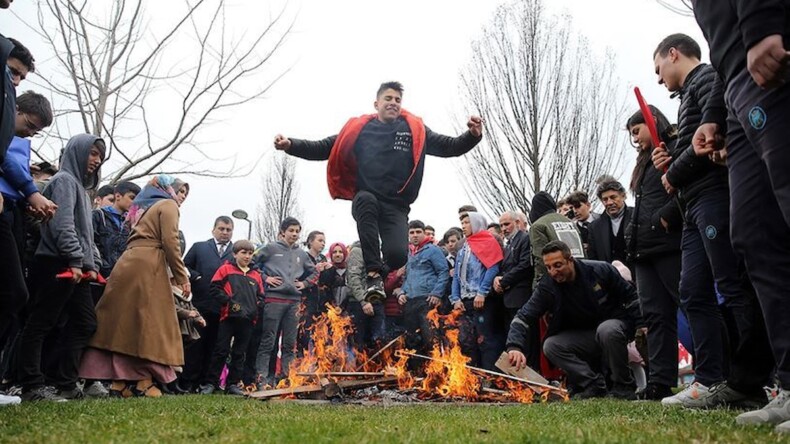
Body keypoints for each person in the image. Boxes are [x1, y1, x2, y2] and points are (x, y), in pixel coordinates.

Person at [652, 33, 773, 409]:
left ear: (673, 54)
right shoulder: (688, 96)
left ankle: (758, 380)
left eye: (658, 68)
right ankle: (709, 379)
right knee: (693, 291)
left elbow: (709, 139)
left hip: (713, 197)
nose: (658, 78)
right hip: (692, 206)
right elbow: (693, 144)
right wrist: (670, 161)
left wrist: (674, 173)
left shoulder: (706, 79)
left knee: (732, 286)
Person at [274, 81, 483, 299]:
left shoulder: (413, 129)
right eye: (388, 99)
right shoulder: (360, 129)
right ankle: (373, 273)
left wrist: (472, 135)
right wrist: (291, 145)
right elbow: (324, 147)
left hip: (396, 205)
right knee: (365, 200)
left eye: (398, 100)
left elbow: (449, 146)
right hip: (367, 199)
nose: (393, 103)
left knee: (398, 256)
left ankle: (378, 273)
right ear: (377, 103)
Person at [691, 2, 790, 432]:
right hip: (735, 90)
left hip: (768, 57)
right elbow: (720, 47)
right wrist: (715, 113)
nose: (658, 77)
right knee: (753, 235)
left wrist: (762, 23)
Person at [78, 175, 189, 399]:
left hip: (127, 263)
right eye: (180, 191)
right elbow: (171, 241)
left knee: (124, 325)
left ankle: (120, 383)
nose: (181, 197)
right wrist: (181, 276)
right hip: (149, 265)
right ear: (168, 189)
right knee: (151, 326)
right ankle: (144, 383)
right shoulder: (167, 205)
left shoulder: (140, 208)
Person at [17, 134, 105, 402]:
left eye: (99, 156)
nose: (96, 160)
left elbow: (85, 234)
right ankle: (31, 384)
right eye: (92, 153)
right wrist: (76, 260)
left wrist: (91, 263)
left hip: (77, 266)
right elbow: (62, 226)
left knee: (84, 322)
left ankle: (63, 381)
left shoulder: (78, 186)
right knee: (41, 323)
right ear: (77, 152)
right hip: (58, 262)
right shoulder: (63, 181)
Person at [506, 241, 641, 400]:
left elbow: (631, 297)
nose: (553, 272)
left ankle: (623, 386)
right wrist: (514, 346)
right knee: (551, 345)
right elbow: (523, 316)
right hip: (584, 336)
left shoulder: (600, 270)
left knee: (607, 330)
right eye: (548, 267)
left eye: (558, 265)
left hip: (613, 326)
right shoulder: (547, 286)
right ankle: (592, 384)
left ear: (571, 260)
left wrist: (641, 325)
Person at [625, 106, 685, 401]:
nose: (635, 138)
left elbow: (685, 187)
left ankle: (720, 371)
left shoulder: (672, 148)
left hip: (669, 243)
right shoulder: (644, 162)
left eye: (637, 130)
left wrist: (667, 216)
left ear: (652, 123)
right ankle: (660, 380)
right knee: (656, 316)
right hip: (643, 250)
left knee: (690, 304)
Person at [0, 91, 55, 351]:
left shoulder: (20, 142)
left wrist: (26, 201)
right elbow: (6, 160)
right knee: (14, 293)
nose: (31, 133)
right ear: (16, 109)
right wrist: (32, 193)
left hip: (14, 213)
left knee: (15, 296)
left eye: (37, 131)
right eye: (30, 125)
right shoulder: (5, 133)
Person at [254, 217, 317, 388]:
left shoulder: (302, 254)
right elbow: (251, 264)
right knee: (268, 340)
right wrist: (266, 278)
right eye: (291, 230)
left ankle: (286, 379)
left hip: (294, 302)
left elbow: (314, 273)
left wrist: (304, 284)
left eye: (297, 231)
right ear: (283, 231)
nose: (294, 234)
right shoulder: (270, 248)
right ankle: (261, 378)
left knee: (290, 343)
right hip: (274, 299)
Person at [199, 240, 263, 396]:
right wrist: (229, 303)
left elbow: (261, 296)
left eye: (249, 253)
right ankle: (211, 383)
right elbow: (214, 288)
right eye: (243, 253)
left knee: (239, 353)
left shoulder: (256, 275)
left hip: (247, 320)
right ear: (235, 254)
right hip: (228, 317)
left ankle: (232, 384)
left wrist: (253, 309)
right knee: (221, 350)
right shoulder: (225, 269)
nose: (247, 256)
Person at [179, 216, 235, 392]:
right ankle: (188, 382)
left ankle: (208, 383)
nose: (225, 232)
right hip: (200, 304)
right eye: (221, 228)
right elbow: (184, 266)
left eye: (228, 229)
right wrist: (196, 276)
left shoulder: (236, 251)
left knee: (216, 347)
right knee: (196, 345)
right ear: (213, 230)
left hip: (223, 308)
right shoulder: (200, 247)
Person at [450, 212, 503, 371]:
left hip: (482, 300)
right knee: (467, 339)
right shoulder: (463, 248)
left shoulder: (488, 241)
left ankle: (490, 375)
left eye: (467, 222)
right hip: (465, 301)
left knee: (485, 339)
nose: (463, 226)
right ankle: (472, 377)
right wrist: (455, 298)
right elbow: (457, 277)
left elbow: (493, 267)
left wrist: (482, 292)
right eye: (462, 223)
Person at [394, 220, 449, 358]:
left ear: (424, 233)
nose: (415, 235)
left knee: (431, 338)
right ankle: (417, 374)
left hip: (427, 301)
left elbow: (443, 272)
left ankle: (437, 373)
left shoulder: (433, 250)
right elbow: (408, 277)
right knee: (412, 340)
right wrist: (402, 292)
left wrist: (437, 293)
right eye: (412, 232)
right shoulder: (410, 254)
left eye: (418, 232)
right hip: (410, 302)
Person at [493, 211, 535, 368]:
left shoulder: (524, 239)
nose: (503, 228)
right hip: (508, 299)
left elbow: (525, 265)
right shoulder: (508, 244)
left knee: (524, 339)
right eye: (501, 225)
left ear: (517, 223)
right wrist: (496, 279)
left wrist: (504, 281)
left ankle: (529, 374)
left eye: (507, 224)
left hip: (521, 297)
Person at [528, 191, 584, 288]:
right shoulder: (570, 222)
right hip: (580, 275)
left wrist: (538, 284)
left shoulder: (538, 226)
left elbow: (541, 259)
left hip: (558, 281)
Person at [92, 181, 140, 278]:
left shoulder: (129, 224)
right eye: (132, 198)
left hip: (120, 277)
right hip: (98, 274)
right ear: (118, 196)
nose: (134, 203)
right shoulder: (98, 215)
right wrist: (103, 267)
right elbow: (91, 243)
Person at [346, 240, 386, 352]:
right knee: (359, 344)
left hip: (377, 302)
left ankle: (377, 368)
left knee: (378, 342)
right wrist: (364, 301)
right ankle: (358, 369)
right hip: (359, 303)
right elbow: (353, 278)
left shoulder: (378, 253)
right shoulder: (357, 251)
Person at [587, 176, 632, 267]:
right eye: (605, 199)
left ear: (623, 196)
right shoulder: (595, 227)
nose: (609, 202)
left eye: (613, 197)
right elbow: (593, 258)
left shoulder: (636, 216)